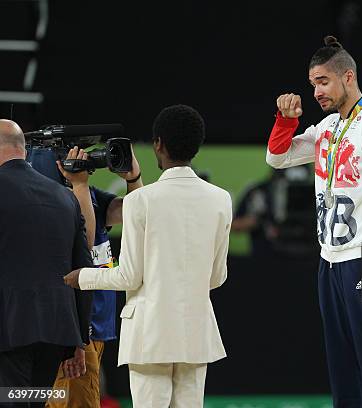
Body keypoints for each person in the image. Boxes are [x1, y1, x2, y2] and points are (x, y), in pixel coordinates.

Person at [265, 36, 362, 407]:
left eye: (322, 82)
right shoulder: (327, 128)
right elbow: (278, 157)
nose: (315, 92)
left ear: (347, 77)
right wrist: (286, 120)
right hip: (331, 259)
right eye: (312, 84)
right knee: (342, 362)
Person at [64, 105, 231, 407]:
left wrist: (82, 277)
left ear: (158, 144)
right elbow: (217, 277)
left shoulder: (141, 200)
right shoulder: (221, 199)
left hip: (150, 332)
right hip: (196, 330)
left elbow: (129, 276)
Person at [0, 119, 93, 406]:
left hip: (8, 329)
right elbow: (82, 268)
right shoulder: (64, 196)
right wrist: (78, 338)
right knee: (32, 401)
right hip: (55, 330)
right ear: (23, 150)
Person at [46, 145, 143, 408]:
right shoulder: (53, 199)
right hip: (73, 329)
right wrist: (78, 185)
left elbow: (135, 214)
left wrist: (133, 178)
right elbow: (84, 243)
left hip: (95, 327)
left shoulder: (92, 196)